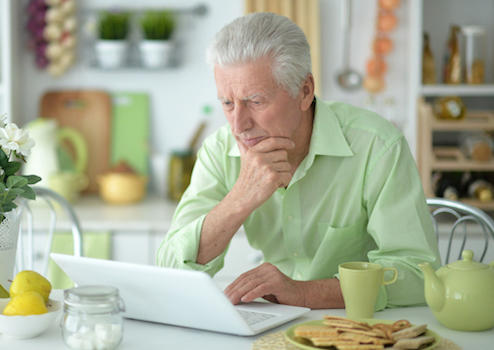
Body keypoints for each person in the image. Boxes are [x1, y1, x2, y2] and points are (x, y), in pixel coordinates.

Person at [156, 12, 440, 310]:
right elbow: (172, 269)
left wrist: (305, 293)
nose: (238, 125)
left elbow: (418, 274)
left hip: (362, 324)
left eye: (256, 101)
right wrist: (240, 198)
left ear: (304, 91)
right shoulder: (219, 150)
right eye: (227, 103)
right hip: (272, 325)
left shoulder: (377, 145)